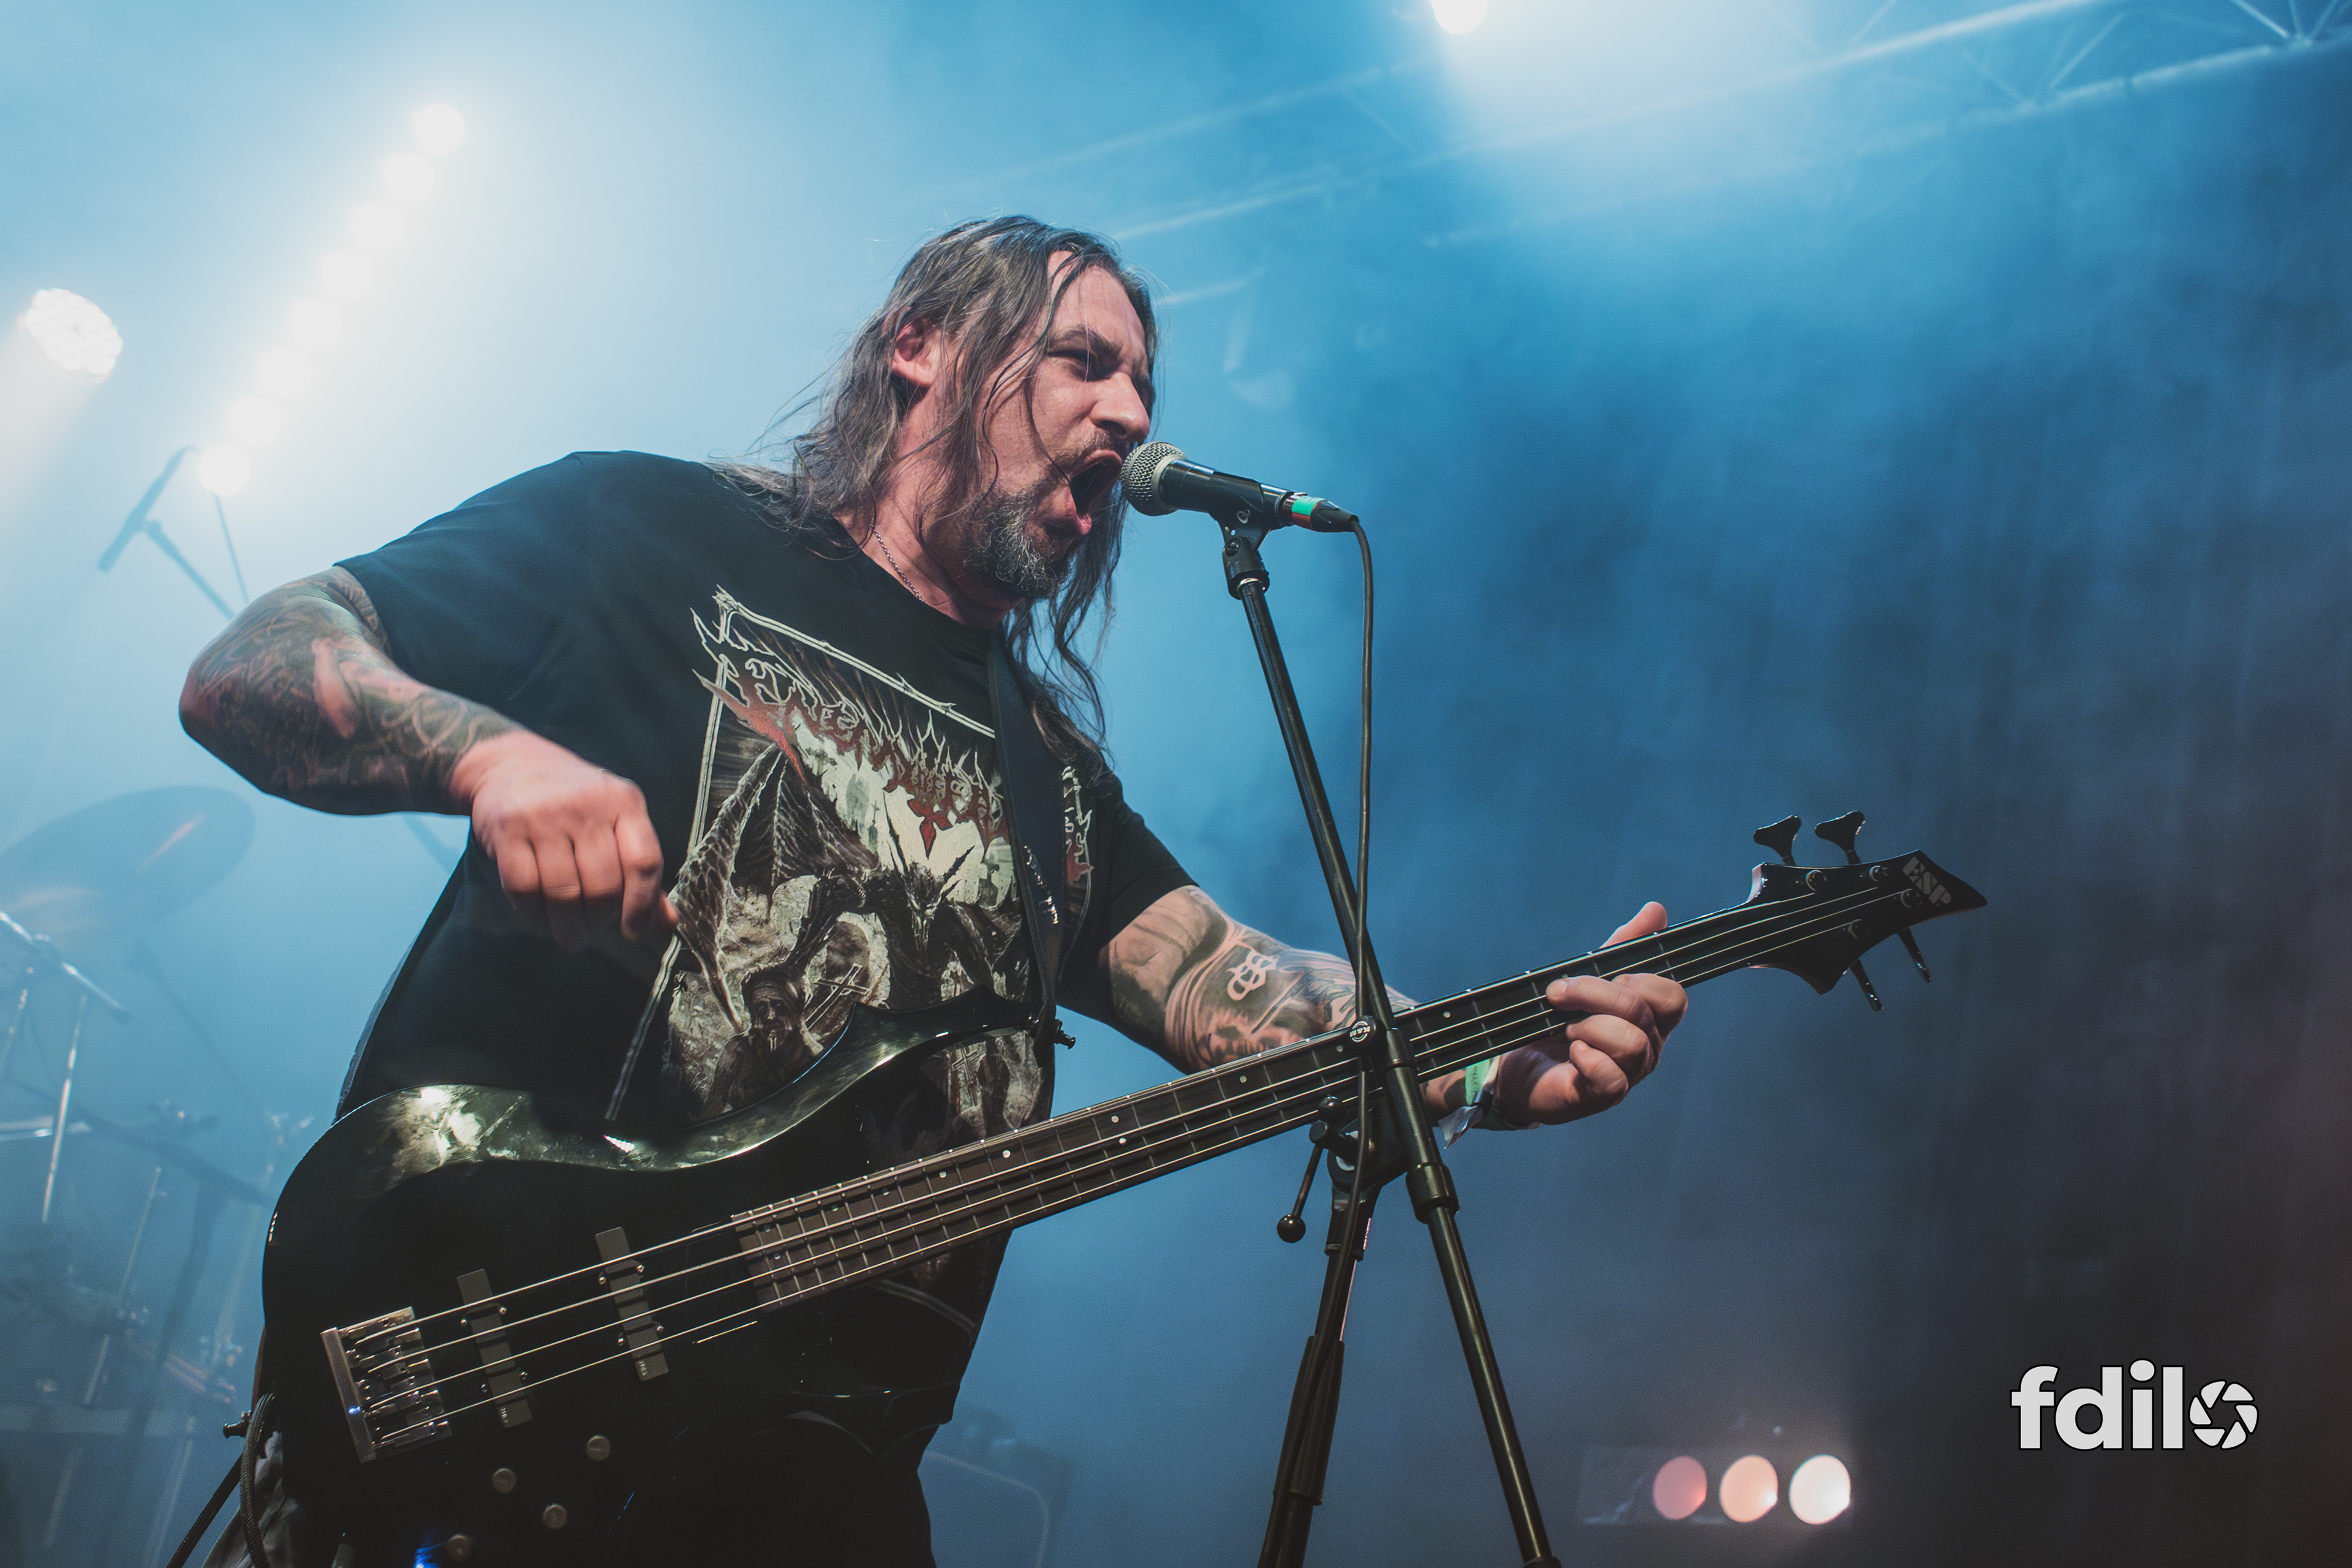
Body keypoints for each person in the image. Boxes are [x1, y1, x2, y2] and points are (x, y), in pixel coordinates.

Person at [179, 217, 1687, 1567]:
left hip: (808, 1487)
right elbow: (253, 660)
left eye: (1144, 385)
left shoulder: (1053, 778)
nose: (1131, 414)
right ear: (922, 347)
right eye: (1084, 361)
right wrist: (490, 756)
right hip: (497, 1371)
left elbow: (1229, 977)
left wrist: (1483, 1060)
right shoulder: (645, 529)